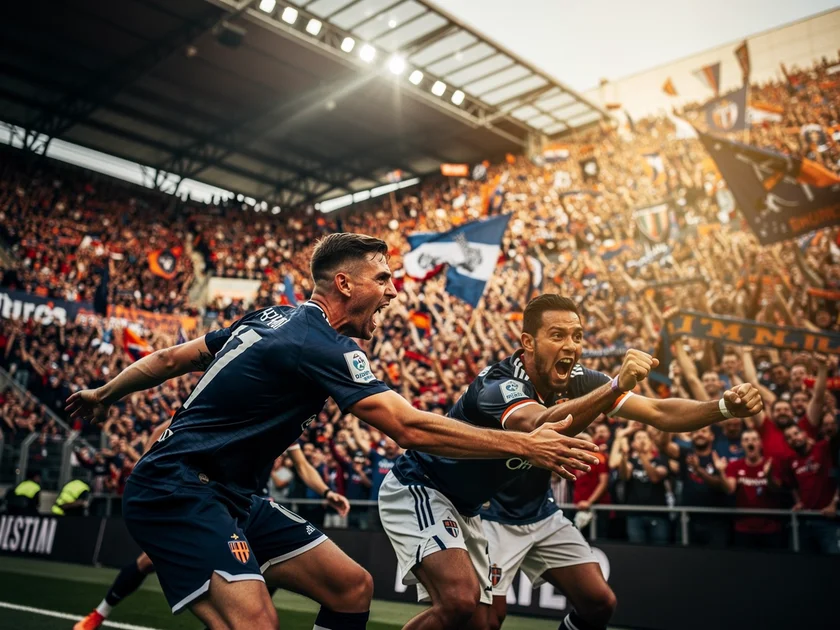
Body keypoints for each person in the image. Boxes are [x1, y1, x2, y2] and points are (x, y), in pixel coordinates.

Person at [66, 233, 594, 630]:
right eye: (382, 279)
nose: (392, 292)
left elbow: (171, 357)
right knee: (256, 623)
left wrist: (104, 393)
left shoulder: (273, 317)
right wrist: (526, 443)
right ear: (345, 283)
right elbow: (407, 426)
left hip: (232, 495)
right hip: (177, 487)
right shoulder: (320, 343)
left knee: (350, 587)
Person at [380, 295, 760, 630]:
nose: (572, 346)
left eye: (577, 336)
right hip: (446, 493)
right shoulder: (499, 385)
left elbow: (660, 412)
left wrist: (723, 407)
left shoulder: (578, 379)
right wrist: (614, 386)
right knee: (470, 611)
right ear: (528, 342)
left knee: (597, 603)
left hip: (505, 509)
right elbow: (538, 427)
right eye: (558, 335)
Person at [74, 423, 352, 630]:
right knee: (147, 562)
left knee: (251, 599)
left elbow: (301, 466)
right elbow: (161, 435)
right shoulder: (221, 400)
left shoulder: (287, 418)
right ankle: (99, 613)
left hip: (253, 506)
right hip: (212, 503)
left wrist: (327, 493)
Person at [655, 427, 730, 547]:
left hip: (715, 520)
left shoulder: (718, 456)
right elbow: (663, 445)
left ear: (712, 436)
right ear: (691, 436)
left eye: (704, 431)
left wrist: (698, 470)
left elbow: (720, 485)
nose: (699, 434)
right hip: (689, 519)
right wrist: (667, 424)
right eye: (696, 432)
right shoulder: (686, 454)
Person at [780, 424, 840, 554]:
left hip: (828, 519)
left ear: (805, 434)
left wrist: (834, 503)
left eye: (796, 434)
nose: (794, 438)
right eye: (789, 438)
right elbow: (793, 486)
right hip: (806, 520)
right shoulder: (791, 461)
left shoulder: (824, 448)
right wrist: (799, 502)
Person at [720, 429, 785, 549]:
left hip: (770, 528)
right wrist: (721, 473)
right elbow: (730, 489)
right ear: (742, 445)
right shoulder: (734, 466)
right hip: (743, 528)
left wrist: (768, 476)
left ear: (760, 444)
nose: (750, 442)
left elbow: (776, 489)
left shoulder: (770, 464)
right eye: (746, 440)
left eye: (754, 439)